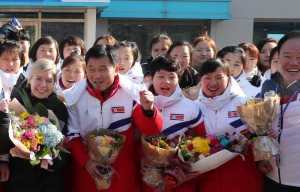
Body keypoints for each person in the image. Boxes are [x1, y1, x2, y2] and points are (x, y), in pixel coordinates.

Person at [63, 44, 163, 192]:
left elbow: (152, 130)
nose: (96, 75)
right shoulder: (74, 95)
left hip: (123, 177)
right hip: (86, 176)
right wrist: (86, 162)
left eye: (103, 69)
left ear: (116, 69)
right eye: (91, 69)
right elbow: (72, 136)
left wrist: (148, 110)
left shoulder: (133, 91)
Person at [195, 58, 263, 192]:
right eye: (207, 78)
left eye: (219, 77)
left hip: (244, 179)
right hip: (208, 181)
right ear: (200, 79)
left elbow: (262, 136)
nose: (213, 83)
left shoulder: (246, 103)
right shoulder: (194, 108)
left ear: (229, 78)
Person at [140, 56, 203, 192]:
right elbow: (132, 138)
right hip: (149, 177)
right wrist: (141, 158)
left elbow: (201, 141)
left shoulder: (191, 107)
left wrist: (184, 164)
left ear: (178, 78)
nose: (166, 81)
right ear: (151, 78)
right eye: (161, 76)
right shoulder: (139, 103)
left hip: (182, 181)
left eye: (172, 77)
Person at [8, 59, 68, 192]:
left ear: (54, 83)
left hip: (51, 181)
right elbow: (6, 142)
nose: (43, 85)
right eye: (38, 79)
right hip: (22, 179)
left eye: (49, 81)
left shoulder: (60, 108)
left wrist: (52, 162)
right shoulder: (17, 104)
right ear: (30, 78)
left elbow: (66, 142)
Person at [258, 30, 300, 191]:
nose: (294, 62)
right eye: (287, 56)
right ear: (278, 57)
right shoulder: (269, 85)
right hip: (272, 176)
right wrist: (262, 157)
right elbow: (261, 125)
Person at [0, 40, 25, 182]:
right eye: (5, 59)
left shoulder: (27, 83)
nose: (10, 64)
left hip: (20, 156)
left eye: (15, 59)